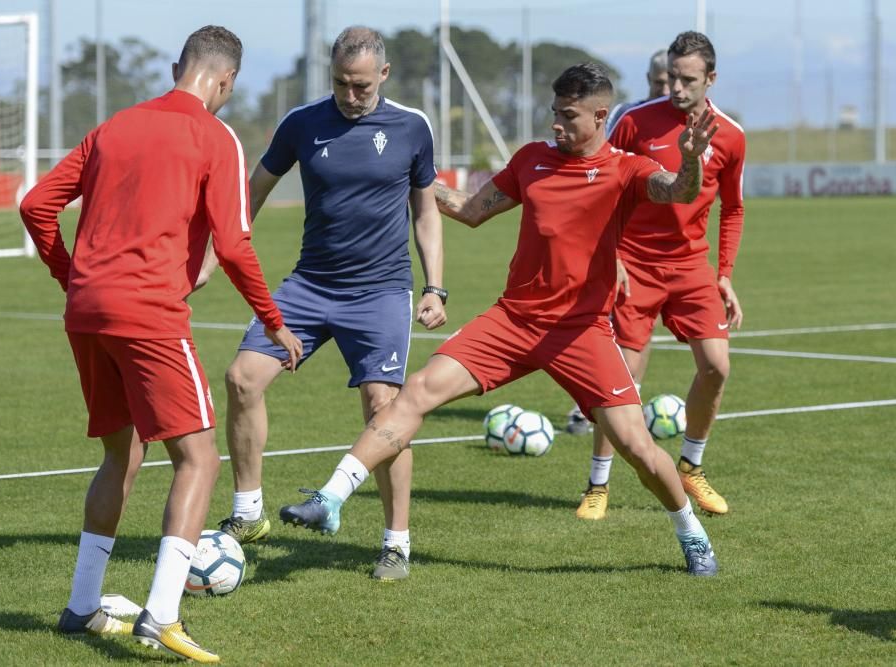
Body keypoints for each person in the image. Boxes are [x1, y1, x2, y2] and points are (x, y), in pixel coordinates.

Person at [279, 62, 721, 577]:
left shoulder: (626, 168)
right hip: (512, 322)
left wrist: (690, 163)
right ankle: (331, 498)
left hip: (580, 332)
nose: (556, 124)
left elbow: (679, 192)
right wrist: (405, 179)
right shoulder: (532, 159)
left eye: (568, 116)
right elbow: (468, 208)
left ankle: (691, 533)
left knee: (638, 449)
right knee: (416, 390)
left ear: (601, 115)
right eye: (553, 113)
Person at [19, 26, 301, 663]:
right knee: (198, 459)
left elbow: (37, 205)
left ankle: (82, 606)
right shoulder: (215, 137)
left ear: (179, 67)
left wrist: (73, 276)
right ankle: (162, 618)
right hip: (148, 315)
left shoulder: (114, 126)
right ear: (226, 82)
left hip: (87, 313)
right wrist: (274, 321)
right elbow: (234, 243)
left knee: (123, 453)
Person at [200, 26, 446, 582]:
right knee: (242, 376)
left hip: (381, 291)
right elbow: (253, 190)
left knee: (386, 408)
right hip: (309, 286)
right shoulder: (302, 123)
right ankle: (248, 513)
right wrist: (216, 254)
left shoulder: (411, 127)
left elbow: (426, 211)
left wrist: (435, 286)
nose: (350, 95)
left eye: (360, 86)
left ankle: (395, 543)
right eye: (340, 83)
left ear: (383, 75)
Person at [575, 31, 745, 521]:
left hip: (692, 267)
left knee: (717, 367)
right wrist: (613, 258)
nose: (676, 87)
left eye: (688, 79)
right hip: (636, 264)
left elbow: (732, 209)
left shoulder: (730, 135)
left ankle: (691, 465)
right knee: (620, 378)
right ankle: (598, 484)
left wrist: (725, 275)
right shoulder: (635, 121)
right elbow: (604, 187)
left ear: (710, 79)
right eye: (672, 77)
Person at [566, 47, 671, 436]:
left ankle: (627, 402)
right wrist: (614, 251)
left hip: (668, 251)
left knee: (640, 333)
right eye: (659, 81)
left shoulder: (686, 121)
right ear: (648, 78)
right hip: (626, 243)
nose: (666, 88)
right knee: (602, 325)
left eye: (671, 81)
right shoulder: (629, 118)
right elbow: (603, 173)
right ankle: (592, 404)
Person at [603, 49, 670, 137]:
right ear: (649, 78)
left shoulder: (685, 118)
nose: (665, 91)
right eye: (659, 83)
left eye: (670, 83)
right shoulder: (624, 113)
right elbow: (606, 148)